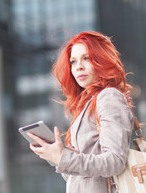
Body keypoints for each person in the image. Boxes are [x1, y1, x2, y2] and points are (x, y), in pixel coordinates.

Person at [27, 31, 135, 192]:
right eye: (73, 61)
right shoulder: (87, 103)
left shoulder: (108, 96)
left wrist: (63, 157)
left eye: (86, 58)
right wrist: (58, 157)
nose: (79, 67)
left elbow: (115, 161)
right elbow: (81, 176)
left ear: (101, 60)